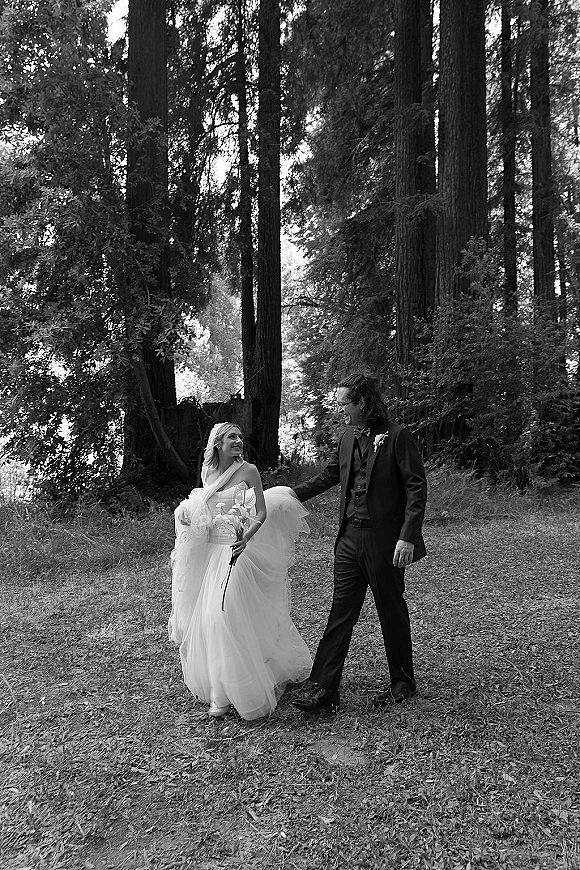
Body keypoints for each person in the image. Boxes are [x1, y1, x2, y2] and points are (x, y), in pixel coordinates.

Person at [291, 373, 427, 713]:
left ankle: (402, 681)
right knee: (341, 610)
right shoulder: (347, 437)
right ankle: (324, 688)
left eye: (344, 404)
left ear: (362, 402)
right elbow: (329, 477)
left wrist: (407, 536)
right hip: (349, 538)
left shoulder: (397, 437)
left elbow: (416, 488)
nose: (342, 412)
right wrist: (286, 495)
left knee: (390, 609)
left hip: (385, 540)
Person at [168, 422, 312, 720]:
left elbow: (260, 511)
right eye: (232, 437)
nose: (238, 441)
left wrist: (247, 536)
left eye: (240, 437)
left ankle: (242, 687)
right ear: (217, 443)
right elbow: (205, 512)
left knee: (227, 613)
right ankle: (221, 692)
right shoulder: (207, 473)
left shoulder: (249, 471)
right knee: (210, 618)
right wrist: (190, 519)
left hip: (238, 551)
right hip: (212, 557)